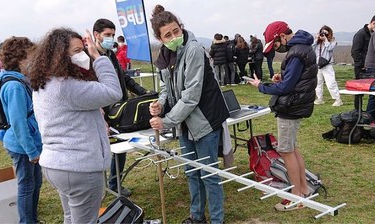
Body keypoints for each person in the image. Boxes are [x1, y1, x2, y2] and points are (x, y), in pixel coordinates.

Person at [28, 28, 122, 223]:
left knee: (71, 217)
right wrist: (98, 57)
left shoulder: (46, 82)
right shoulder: (67, 86)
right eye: (77, 51)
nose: (82, 55)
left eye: (83, 50)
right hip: (80, 167)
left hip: (58, 165)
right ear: (60, 55)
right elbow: (113, 91)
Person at [149, 5, 229, 223]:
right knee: (191, 172)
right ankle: (196, 216)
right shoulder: (164, 57)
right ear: (160, 38)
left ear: (181, 27)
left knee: (208, 174)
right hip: (185, 123)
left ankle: (216, 220)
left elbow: (191, 96)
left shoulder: (193, 50)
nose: (174, 36)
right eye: (168, 34)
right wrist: (160, 105)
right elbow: (166, 88)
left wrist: (166, 121)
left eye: (176, 30)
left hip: (204, 121)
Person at [248, 21, 317, 211]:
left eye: (276, 45)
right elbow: (294, 80)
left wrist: (261, 86)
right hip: (297, 104)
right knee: (292, 149)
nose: (277, 49)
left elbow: (287, 88)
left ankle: (296, 197)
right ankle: (303, 189)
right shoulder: (303, 48)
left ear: (281, 36)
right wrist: (283, 76)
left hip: (290, 107)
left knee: (286, 151)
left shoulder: (295, 53)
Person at [93, 18, 149, 197]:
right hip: (100, 111)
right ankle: (97, 189)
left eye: (112, 35)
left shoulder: (111, 54)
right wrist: (100, 115)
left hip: (118, 110)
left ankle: (115, 183)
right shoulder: (90, 58)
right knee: (100, 150)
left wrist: (143, 92)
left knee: (121, 149)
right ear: (96, 35)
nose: (110, 38)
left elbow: (124, 78)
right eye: (107, 35)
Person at [0, 36, 42, 224]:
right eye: (31, 56)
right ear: (21, 58)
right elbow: (18, 122)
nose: (34, 60)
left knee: (35, 183)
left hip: (28, 143)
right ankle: (27, 221)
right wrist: (31, 150)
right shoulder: (14, 86)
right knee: (26, 186)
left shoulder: (18, 80)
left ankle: (32, 218)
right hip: (22, 145)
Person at [351, 13, 375, 109]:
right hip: (362, 67)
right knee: (359, 91)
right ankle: (358, 111)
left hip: (374, 66)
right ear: (374, 23)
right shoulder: (360, 34)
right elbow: (355, 52)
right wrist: (362, 64)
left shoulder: (374, 34)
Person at [312, 25, 343, 106]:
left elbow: (329, 48)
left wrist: (325, 40)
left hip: (327, 64)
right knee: (318, 83)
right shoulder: (317, 42)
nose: (323, 34)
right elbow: (311, 49)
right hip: (317, 64)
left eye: (326, 33)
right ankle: (319, 98)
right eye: (322, 32)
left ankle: (337, 99)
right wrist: (316, 39)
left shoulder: (332, 41)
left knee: (331, 82)